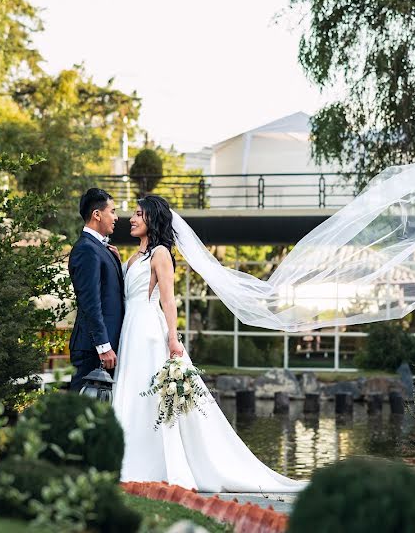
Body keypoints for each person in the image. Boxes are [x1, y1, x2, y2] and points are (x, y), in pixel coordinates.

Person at [111, 195, 305, 492]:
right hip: (131, 328)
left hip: (149, 330)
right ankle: (126, 456)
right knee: (133, 392)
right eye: (133, 214)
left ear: (152, 219)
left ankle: (150, 463)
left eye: (138, 214)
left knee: (148, 396)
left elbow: (167, 299)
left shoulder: (161, 253)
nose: (132, 219)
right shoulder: (134, 257)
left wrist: (173, 338)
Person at [68, 188, 124, 392]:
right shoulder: (86, 249)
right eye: (113, 211)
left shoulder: (101, 249)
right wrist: (103, 346)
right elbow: (90, 301)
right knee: (81, 413)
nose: (116, 217)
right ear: (97, 214)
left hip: (105, 348)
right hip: (93, 350)